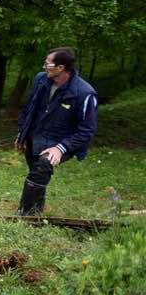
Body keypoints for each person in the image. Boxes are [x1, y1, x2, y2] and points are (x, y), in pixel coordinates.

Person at [14, 47, 98, 216]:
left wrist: (61, 148)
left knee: (44, 164)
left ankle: (25, 214)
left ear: (60, 68)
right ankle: (36, 211)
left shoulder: (84, 93)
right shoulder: (41, 80)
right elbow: (29, 108)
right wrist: (22, 133)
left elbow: (87, 130)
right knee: (36, 171)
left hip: (61, 141)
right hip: (36, 137)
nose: (44, 66)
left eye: (48, 63)